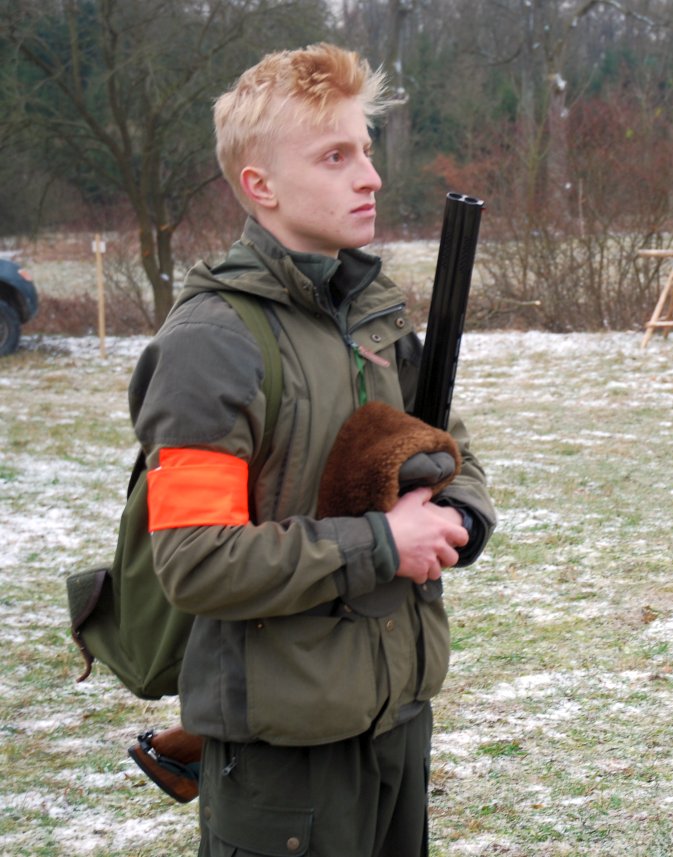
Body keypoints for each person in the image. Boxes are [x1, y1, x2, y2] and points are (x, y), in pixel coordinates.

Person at [128, 43, 495, 855]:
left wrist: (457, 517)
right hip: (285, 755)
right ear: (260, 185)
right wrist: (384, 542)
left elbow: (454, 450)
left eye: (365, 150)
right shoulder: (211, 342)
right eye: (336, 157)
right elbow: (194, 559)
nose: (370, 177)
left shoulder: (370, 308)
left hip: (397, 718)